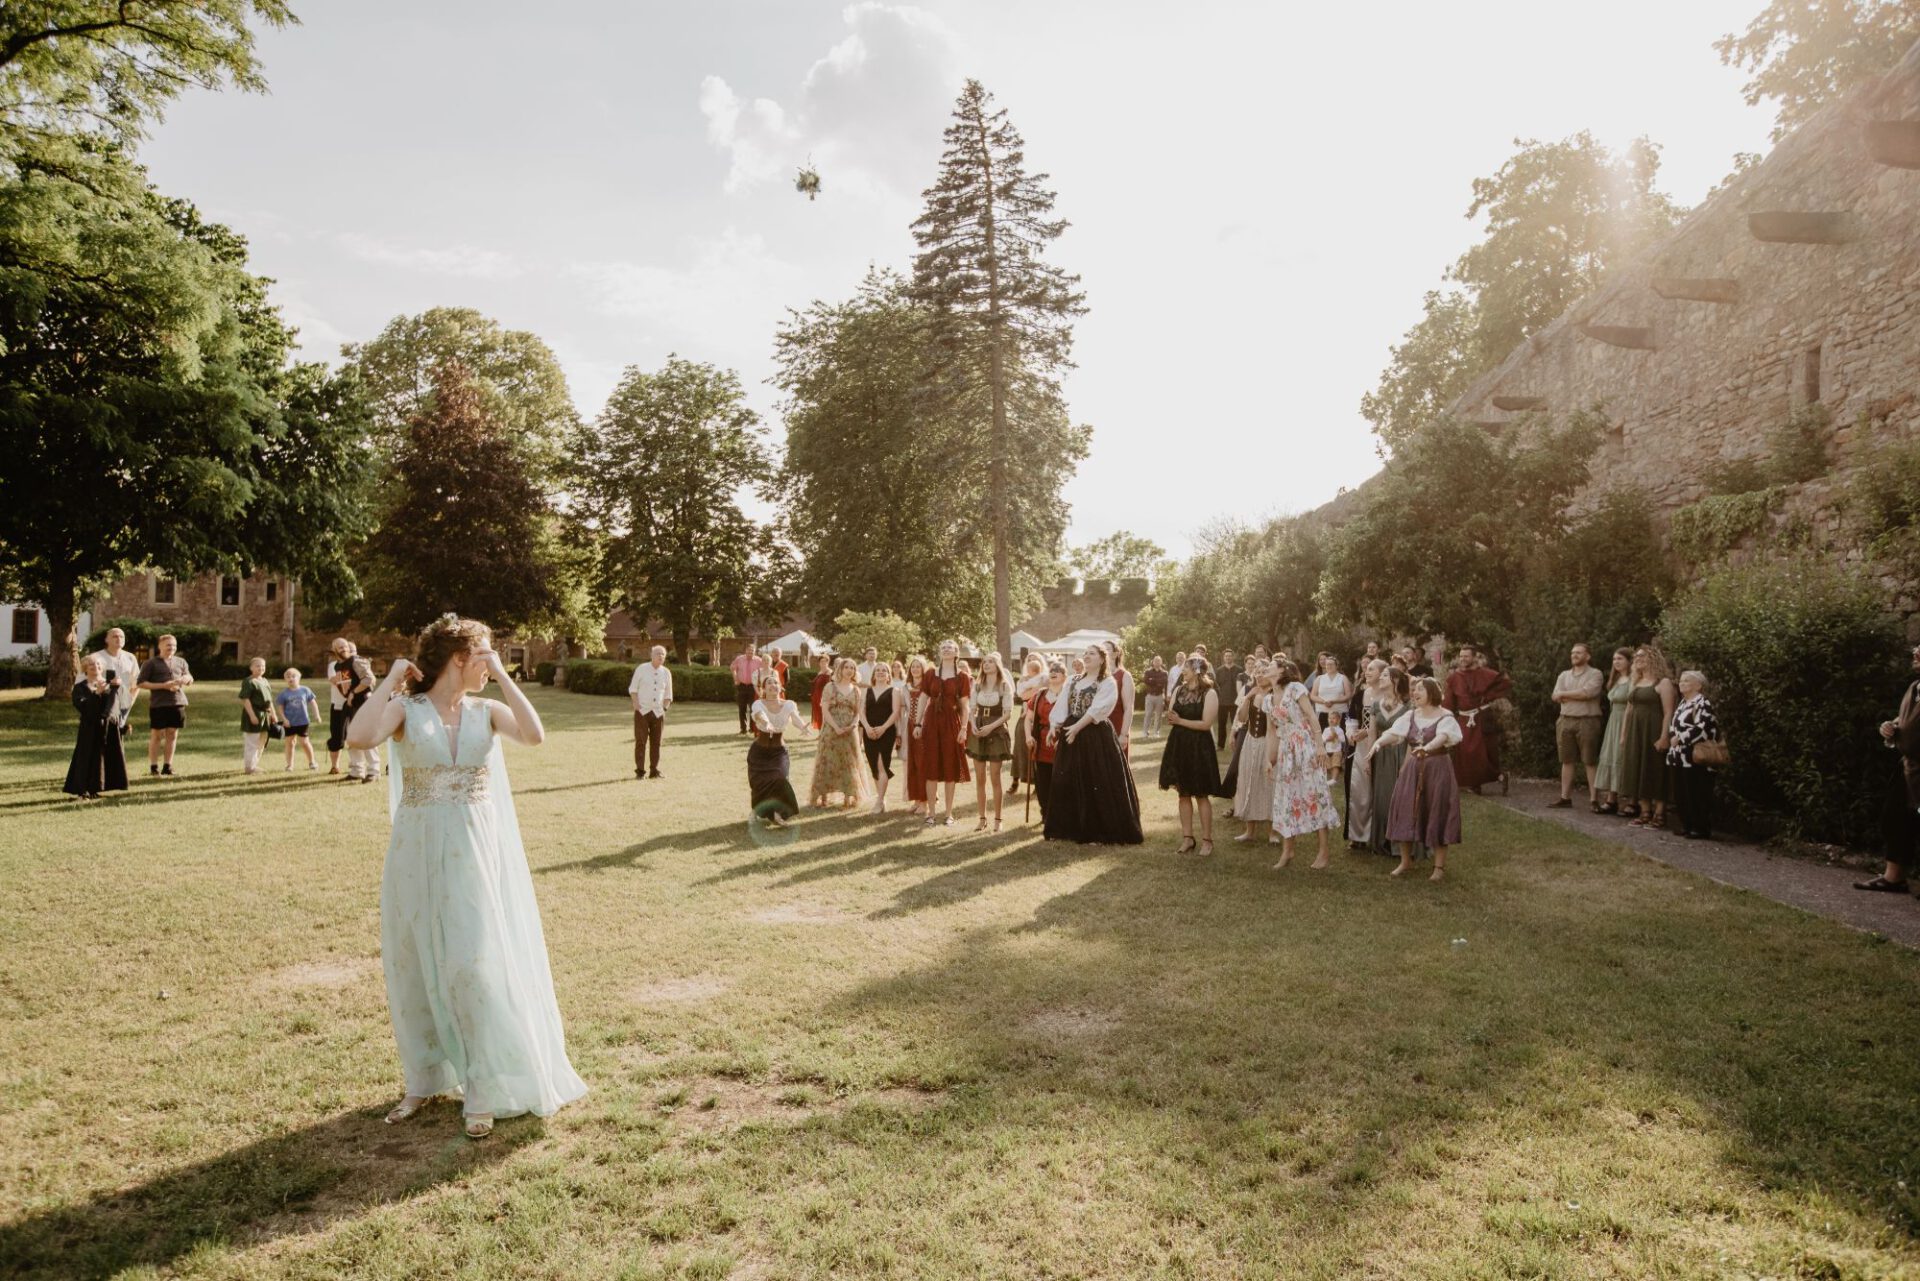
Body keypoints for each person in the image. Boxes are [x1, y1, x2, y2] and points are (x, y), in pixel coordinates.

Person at [347, 614, 588, 1139]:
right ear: (460, 658)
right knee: (415, 960)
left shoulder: (488, 711)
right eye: (484, 653)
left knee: (473, 963)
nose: (489, 661)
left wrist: (503, 674)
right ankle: (424, 1077)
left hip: (478, 854)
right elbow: (358, 738)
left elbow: (534, 735)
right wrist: (390, 679)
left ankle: (480, 1082)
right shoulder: (406, 710)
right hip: (416, 853)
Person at [1043, 644, 1143, 845]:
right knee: (1066, 778)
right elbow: (1063, 704)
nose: (1086, 656)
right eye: (1085, 652)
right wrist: (1054, 726)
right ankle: (1066, 829)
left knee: (1095, 779)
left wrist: (1077, 728)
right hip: (1072, 730)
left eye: (1092, 653)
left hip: (1094, 734)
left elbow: (1099, 709)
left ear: (1102, 659)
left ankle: (1098, 831)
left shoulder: (1107, 682)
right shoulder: (1073, 680)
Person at [1372, 676, 1464, 880]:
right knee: (1406, 808)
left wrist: (1427, 747)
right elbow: (1395, 734)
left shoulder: (1445, 717)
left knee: (1437, 809)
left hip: (1437, 767)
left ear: (1432, 692)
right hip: (1414, 767)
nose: (1415, 693)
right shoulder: (1411, 715)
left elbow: (1442, 737)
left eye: (1420, 689)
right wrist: (1378, 743)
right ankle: (1405, 861)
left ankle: (1438, 867)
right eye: (1414, 690)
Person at [1266, 659, 1340, 869]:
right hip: (1285, 750)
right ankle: (1288, 851)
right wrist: (1269, 760)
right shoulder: (1268, 700)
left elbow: (1311, 716)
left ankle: (1324, 852)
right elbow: (1271, 732)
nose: (1267, 668)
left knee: (1314, 794)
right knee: (1287, 798)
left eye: (1271, 665)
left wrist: (1319, 746)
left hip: (1305, 745)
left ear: (1282, 670)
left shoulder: (1295, 688)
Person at [1860, 643, 1920, 895]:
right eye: (1917, 648)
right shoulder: (1914, 687)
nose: (1916, 653)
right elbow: (1904, 720)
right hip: (1907, 767)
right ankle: (1893, 878)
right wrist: (1891, 727)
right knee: (1894, 818)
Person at [1160, 655, 1222, 855]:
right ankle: (1187, 838)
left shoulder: (1210, 693)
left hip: (1199, 747)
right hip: (1179, 744)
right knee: (1183, 793)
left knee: (1201, 794)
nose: (1182, 672)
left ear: (1196, 670)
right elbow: (1171, 714)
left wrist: (1180, 721)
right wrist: (1173, 719)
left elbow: (1206, 724)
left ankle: (1207, 840)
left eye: (1185, 668)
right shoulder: (1178, 690)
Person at [1616, 646, 1678, 829]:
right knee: (1637, 767)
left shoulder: (1663, 682)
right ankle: (1644, 812)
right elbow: (1629, 710)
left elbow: (1668, 712)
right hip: (1636, 730)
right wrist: (1623, 735)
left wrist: (1664, 736)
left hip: (1654, 729)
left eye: (1642, 655)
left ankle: (1659, 814)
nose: (1637, 658)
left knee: (1655, 768)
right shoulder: (1636, 681)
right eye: (1636, 656)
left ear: (1653, 658)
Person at [914, 640, 972, 827]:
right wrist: (918, 723)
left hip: (951, 724)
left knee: (950, 767)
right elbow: (923, 698)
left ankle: (948, 814)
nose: (946, 649)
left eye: (950, 647)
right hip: (931, 723)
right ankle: (931, 814)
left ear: (956, 653)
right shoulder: (930, 673)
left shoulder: (962, 677)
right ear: (939, 652)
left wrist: (963, 728)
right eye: (943, 647)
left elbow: (965, 706)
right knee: (930, 767)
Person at [1443, 644, 1512, 794]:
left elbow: (1505, 683)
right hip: (1463, 718)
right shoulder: (1455, 678)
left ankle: (1495, 777)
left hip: (1481, 717)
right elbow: (1449, 700)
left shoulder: (1485, 674)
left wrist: (1488, 697)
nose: (1463, 659)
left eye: (1466, 656)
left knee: (1481, 752)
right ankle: (1481, 782)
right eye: (1461, 656)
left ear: (1474, 657)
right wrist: (1446, 715)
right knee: (1465, 752)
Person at [748, 670, 813, 827]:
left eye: (775, 682)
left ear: (780, 687)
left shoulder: (788, 704)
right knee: (759, 783)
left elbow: (795, 718)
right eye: (769, 683)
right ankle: (757, 810)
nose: (773, 685)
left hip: (779, 751)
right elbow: (759, 715)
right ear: (763, 688)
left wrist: (803, 726)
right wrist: (766, 723)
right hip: (760, 751)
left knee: (780, 778)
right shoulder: (758, 703)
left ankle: (777, 813)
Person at [809, 657, 872, 810]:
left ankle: (848, 797)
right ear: (840, 669)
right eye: (847, 667)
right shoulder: (830, 687)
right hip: (831, 729)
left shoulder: (856, 689)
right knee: (827, 761)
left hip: (850, 730)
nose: (850, 670)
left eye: (852, 668)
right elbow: (824, 710)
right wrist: (836, 727)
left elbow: (858, 711)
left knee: (849, 763)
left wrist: (853, 724)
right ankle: (823, 797)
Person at [1665, 670, 1721, 839]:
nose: (1682, 683)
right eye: (1681, 680)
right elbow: (1674, 724)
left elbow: (1703, 729)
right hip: (1678, 755)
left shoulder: (1703, 703)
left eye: (1687, 681)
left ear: (1698, 685)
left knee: (1696, 791)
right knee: (1681, 791)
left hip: (1695, 755)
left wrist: (1680, 738)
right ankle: (1687, 824)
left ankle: (1700, 827)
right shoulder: (1683, 702)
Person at [1366, 667, 1415, 859]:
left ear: (1395, 680)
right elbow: (1371, 733)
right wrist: (1369, 757)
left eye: (1385, 675)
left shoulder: (1408, 706)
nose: (1380, 677)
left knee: (1400, 799)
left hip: (1401, 754)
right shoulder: (1376, 705)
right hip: (1381, 756)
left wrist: (1406, 763)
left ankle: (1400, 844)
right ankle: (1382, 842)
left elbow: (1412, 736)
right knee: (1381, 798)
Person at [64, 655, 127, 799]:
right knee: (86, 757)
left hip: (107, 727)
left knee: (102, 758)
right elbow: (83, 707)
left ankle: (95, 789)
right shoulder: (80, 688)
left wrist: (117, 688)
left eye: (98, 664)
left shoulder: (109, 684)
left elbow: (118, 705)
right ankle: (82, 790)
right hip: (89, 727)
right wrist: (97, 693)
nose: (95, 667)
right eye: (91, 665)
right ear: (85, 668)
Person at [1550, 643, 1605, 809]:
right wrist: (1565, 695)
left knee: (1589, 761)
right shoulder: (1564, 675)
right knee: (1566, 760)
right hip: (1565, 720)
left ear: (1587, 656)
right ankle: (1565, 798)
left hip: (1587, 721)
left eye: (1579, 653)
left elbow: (1587, 693)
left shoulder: (1595, 674)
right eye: (1573, 653)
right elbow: (1554, 696)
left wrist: (1564, 694)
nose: (1574, 655)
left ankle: (1594, 800)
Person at [968, 652, 1015, 831]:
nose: (986, 664)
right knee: (980, 778)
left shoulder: (1004, 686)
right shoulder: (978, 685)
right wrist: (973, 725)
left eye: (991, 662)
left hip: (995, 729)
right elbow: (971, 709)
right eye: (984, 662)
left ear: (997, 665)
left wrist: (990, 728)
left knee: (995, 777)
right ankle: (982, 818)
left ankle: (998, 819)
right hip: (978, 728)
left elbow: (1008, 713)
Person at [1345, 658, 1389, 848]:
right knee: (1360, 791)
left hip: (1384, 748)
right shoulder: (1361, 694)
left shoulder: (1388, 696)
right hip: (1361, 748)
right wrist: (1351, 733)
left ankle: (1381, 836)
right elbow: (1350, 717)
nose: (1367, 671)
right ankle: (1359, 836)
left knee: (1381, 792)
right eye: (1366, 669)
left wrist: (1370, 731)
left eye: (1372, 669)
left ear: (1382, 673)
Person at [1230, 665, 1276, 841]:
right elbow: (1242, 719)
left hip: (1268, 741)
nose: (1258, 675)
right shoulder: (1250, 691)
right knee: (1248, 779)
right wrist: (1248, 698)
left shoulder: (1275, 694)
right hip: (1251, 741)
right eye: (1256, 672)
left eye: (1263, 672)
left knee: (1268, 782)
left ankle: (1272, 832)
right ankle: (1249, 831)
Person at [136, 633, 193, 776]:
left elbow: (190, 678)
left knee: (172, 734)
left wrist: (186, 679)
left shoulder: (181, 662)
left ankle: (167, 766)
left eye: (174, 645)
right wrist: (163, 686)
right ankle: (153, 767)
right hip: (159, 704)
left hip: (177, 702)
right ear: (160, 646)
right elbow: (141, 683)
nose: (171, 648)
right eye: (168, 645)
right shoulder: (150, 663)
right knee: (157, 735)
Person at [327, 639, 377, 781]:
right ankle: (357, 770)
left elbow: (369, 679)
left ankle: (374, 771)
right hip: (350, 705)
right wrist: (342, 687)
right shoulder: (338, 666)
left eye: (344, 646)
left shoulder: (356, 661)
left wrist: (353, 693)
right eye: (339, 647)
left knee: (366, 736)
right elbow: (345, 686)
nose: (342, 649)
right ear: (335, 650)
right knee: (352, 737)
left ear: (348, 647)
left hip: (363, 702)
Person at [1592, 648, 1633, 815]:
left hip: (1626, 719)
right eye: (1614, 659)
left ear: (1629, 661)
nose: (1616, 662)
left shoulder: (1633, 679)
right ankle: (1611, 799)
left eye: (1620, 659)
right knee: (1612, 755)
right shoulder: (1615, 679)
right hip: (1613, 720)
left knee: (1624, 757)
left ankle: (1632, 801)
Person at [859, 659, 900, 814]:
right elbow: (861, 712)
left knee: (882, 765)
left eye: (884, 670)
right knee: (874, 766)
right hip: (869, 732)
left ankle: (879, 801)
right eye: (878, 670)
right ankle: (881, 799)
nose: (881, 672)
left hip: (886, 732)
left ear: (888, 675)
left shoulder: (894, 691)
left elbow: (895, 713)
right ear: (874, 675)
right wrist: (868, 728)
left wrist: (883, 728)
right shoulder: (866, 691)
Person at [1026, 662, 1065, 823]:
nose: (1054, 672)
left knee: (1062, 781)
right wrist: (1028, 736)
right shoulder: (1039, 696)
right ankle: (1046, 815)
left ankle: (1060, 815)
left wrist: (1062, 739)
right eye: (1051, 670)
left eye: (1058, 670)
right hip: (1041, 743)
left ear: (1065, 676)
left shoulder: (1068, 696)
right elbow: (1028, 719)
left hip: (1062, 742)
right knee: (1043, 782)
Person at [628, 645, 673, 781]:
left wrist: (664, 709)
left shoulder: (666, 673)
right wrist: (636, 705)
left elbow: (668, 694)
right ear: (652, 655)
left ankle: (654, 770)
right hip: (642, 711)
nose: (661, 656)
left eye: (663, 654)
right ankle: (640, 771)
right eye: (658, 653)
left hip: (658, 713)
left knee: (656, 743)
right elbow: (633, 689)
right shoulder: (641, 669)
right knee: (641, 741)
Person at [88, 626, 140, 740]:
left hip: (124, 701)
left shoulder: (130, 658)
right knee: (103, 734)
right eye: (115, 636)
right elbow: (88, 681)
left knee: (118, 734)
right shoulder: (96, 657)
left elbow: (136, 683)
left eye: (122, 636)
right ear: (106, 640)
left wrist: (131, 700)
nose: (119, 639)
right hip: (103, 701)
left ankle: (117, 757)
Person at [1010, 654, 1046, 797]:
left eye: (1034, 660)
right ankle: (1015, 781)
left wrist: (1034, 690)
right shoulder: (1023, 680)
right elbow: (1023, 696)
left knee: (1038, 748)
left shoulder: (1045, 678)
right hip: (1025, 716)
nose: (1031, 662)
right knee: (1019, 746)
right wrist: (1035, 689)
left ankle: (1038, 783)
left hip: (1041, 715)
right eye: (1029, 660)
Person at [900, 655, 930, 817]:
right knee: (912, 763)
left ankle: (925, 802)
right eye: (913, 666)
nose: (915, 669)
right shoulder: (906, 686)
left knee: (922, 763)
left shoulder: (928, 686)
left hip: (924, 726)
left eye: (919, 666)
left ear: (923, 668)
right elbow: (904, 707)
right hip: (909, 725)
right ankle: (916, 799)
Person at [238, 657, 278, 775]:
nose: (261, 668)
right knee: (252, 741)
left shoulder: (265, 681)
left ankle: (255, 765)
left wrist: (273, 715)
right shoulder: (249, 681)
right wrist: (252, 716)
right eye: (258, 666)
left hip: (265, 715)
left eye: (263, 666)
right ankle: (249, 767)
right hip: (254, 713)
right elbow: (245, 699)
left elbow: (269, 700)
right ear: (251, 668)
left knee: (262, 741)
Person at [276, 668, 320, 770]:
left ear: (299, 678)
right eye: (288, 677)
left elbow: (313, 703)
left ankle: (312, 762)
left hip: (303, 721)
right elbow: (280, 708)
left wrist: (317, 715)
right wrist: (284, 719)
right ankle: (290, 765)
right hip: (289, 722)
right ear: (285, 679)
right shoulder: (284, 694)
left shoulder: (305, 690)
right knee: (290, 743)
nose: (290, 678)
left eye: (293, 676)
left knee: (305, 742)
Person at [1105, 641, 1137, 759]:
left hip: (1116, 726)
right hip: (1097, 728)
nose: (1102, 652)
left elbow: (1129, 707)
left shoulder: (1124, 675)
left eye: (1106, 649)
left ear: (1115, 654)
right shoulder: (1096, 676)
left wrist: (1124, 734)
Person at [1308, 653, 1350, 729]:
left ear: (1336, 666)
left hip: (1339, 713)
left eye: (1331, 664)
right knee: (1324, 737)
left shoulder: (1343, 678)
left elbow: (1348, 695)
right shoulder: (1319, 679)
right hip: (1322, 713)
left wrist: (1334, 701)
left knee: (1340, 736)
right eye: (1327, 664)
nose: (1329, 666)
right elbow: (1312, 695)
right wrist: (1323, 701)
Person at [730, 643, 762, 734]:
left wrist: (760, 684)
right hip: (742, 686)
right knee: (742, 708)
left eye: (752, 651)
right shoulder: (739, 659)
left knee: (753, 708)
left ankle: (752, 729)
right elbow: (732, 668)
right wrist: (735, 678)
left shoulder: (759, 661)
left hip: (753, 687)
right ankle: (743, 729)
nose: (750, 653)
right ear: (745, 651)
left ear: (754, 652)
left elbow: (762, 672)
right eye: (748, 651)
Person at [1213, 649, 1242, 750]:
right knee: (1221, 724)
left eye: (1230, 656)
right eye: (1226, 656)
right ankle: (1220, 746)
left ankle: (1237, 745)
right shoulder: (1219, 670)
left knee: (1237, 724)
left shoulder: (1239, 670)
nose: (1228, 657)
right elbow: (1216, 686)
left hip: (1235, 702)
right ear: (1223, 658)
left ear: (1233, 657)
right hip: (1222, 702)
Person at [1141, 656, 1168, 740]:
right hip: (1150, 696)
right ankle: (1145, 732)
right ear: (1153, 662)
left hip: (1160, 696)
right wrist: (1157, 682)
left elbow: (1164, 683)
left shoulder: (1164, 673)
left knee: (1158, 715)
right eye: (1155, 661)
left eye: (1159, 661)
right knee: (1148, 714)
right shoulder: (1148, 672)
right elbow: (1146, 681)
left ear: (1161, 662)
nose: (1157, 662)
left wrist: (1153, 680)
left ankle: (1156, 732)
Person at [807, 653, 832, 731]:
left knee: (824, 715)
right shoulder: (820, 672)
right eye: (821, 661)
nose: (823, 663)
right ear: (819, 663)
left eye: (825, 661)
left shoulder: (830, 672)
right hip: (816, 697)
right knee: (818, 715)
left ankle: (824, 732)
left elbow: (831, 686)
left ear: (828, 662)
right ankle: (820, 732)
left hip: (824, 697)